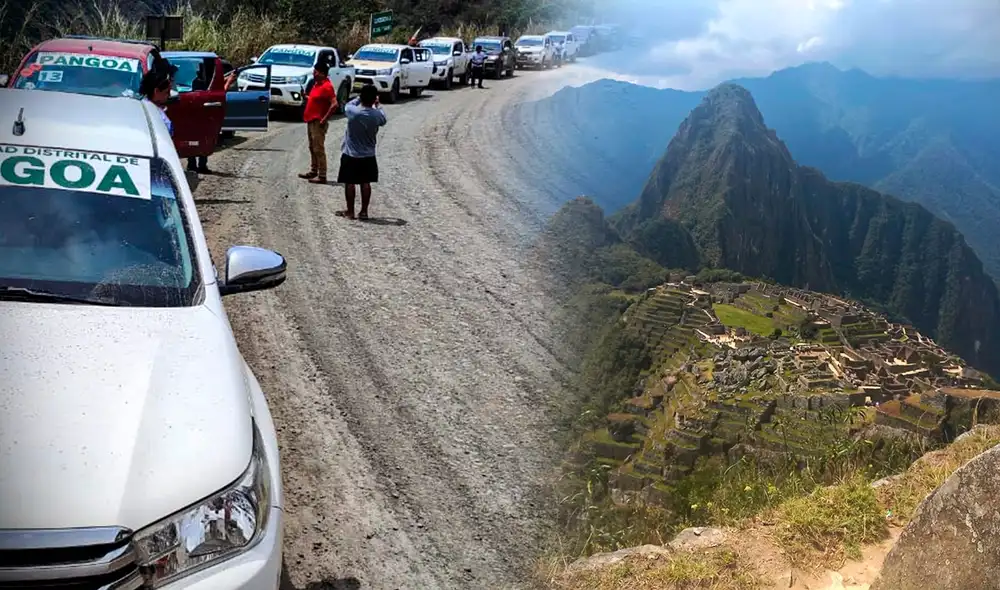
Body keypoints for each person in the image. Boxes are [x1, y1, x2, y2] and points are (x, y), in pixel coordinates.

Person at [335, 84, 387, 221]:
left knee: (349, 182)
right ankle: (364, 211)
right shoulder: (377, 115)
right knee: (366, 182)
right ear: (374, 98)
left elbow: (348, 104)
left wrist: (359, 98)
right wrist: (377, 105)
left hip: (351, 153)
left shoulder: (354, 112)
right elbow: (383, 118)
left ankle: (350, 211)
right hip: (369, 154)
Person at [298, 62, 338, 184]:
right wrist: (306, 97)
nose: (313, 74)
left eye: (316, 72)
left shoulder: (327, 86)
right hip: (311, 120)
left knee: (318, 148)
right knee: (312, 147)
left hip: (318, 122)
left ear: (322, 73)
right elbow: (316, 100)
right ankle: (314, 170)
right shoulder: (317, 84)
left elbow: (334, 104)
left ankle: (322, 175)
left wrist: (324, 119)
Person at [139, 70, 173, 136]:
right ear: (156, 91)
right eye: (167, 92)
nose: (169, 95)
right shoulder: (162, 119)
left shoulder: (138, 105)